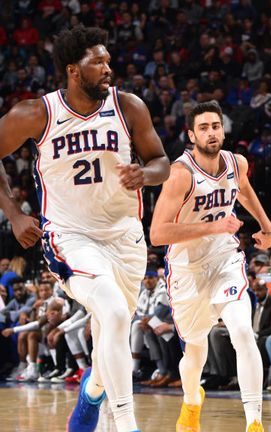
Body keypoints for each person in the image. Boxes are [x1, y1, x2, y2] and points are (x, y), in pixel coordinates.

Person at [0, 26, 171, 432]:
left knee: (113, 325)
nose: (108, 67)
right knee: (112, 312)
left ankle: (93, 391)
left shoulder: (129, 107)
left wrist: (146, 174)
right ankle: (127, 424)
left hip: (125, 236)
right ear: (73, 70)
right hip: (71, 235)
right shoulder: (37, 113)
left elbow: (161, 161)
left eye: (108, 60)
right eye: (99, 62)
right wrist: (14, 213)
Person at [150, 100, 271, 432]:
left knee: (243, 332)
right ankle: (192, 401)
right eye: (203, 128)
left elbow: (244, 190)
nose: (211, 133)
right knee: (195, 351)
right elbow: (158, 233)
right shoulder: (180, 174)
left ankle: (254, 423)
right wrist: (213, 226)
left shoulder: (236, 162)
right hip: (187, 269)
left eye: (215, 126)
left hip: (224, 260)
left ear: (223, 129)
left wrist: (266, 226)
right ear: (191, 135)